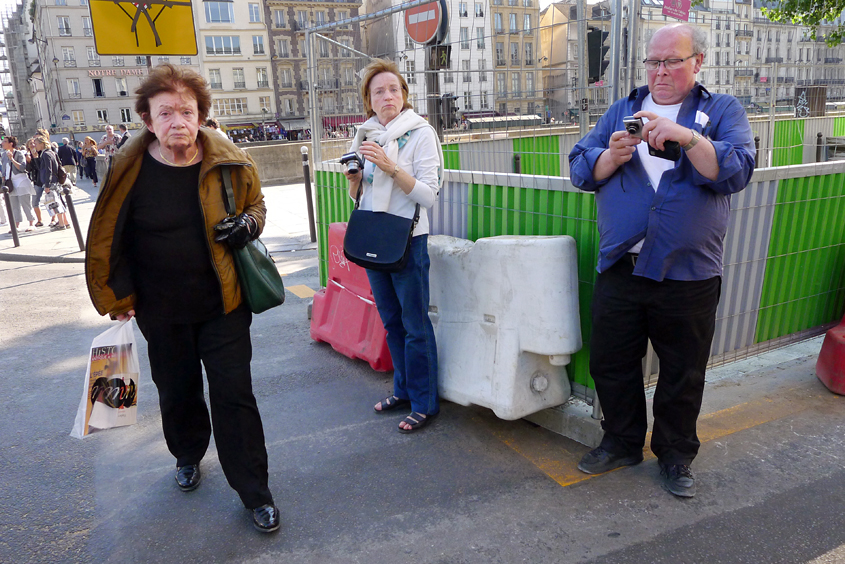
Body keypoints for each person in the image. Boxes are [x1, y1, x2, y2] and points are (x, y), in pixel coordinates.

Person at [84, 63, 280, 533]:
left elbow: (257, 204)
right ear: (148, 121)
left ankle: (255, 491)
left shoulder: (229, 160)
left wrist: (249, 224)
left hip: (223, 304)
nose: (178, 121)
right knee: (177, 391)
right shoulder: (128, 170)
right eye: (165, 112)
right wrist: (119, 294)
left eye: (186, 111)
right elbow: (114, 237)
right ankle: (188, 454)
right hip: (161, 309)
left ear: (200, 115)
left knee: (235, 398)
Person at [568, 24, 756, 498]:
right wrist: (609, 157)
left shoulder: (721, 111)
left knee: (682, 369)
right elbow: (578, 167)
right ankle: (623, 441)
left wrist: (688, 138)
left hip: (688, 272)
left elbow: (735, 173)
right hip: (621, 267)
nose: (660, 70)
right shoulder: (622, 109)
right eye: (653, 61)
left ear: (698, 62)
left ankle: (674, 454)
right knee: (612, 363)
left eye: (672, 60)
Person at [344, 59, 444, 433]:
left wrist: (388, 165)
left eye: (393, 89)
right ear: (368, 101)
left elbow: (428, 195)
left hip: (408, 240)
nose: (387, 96)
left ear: (404, 94)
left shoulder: (420, 133)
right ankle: (403, 390)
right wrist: (355, 178)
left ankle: (425, 402)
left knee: (416, 326)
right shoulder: (365, 134)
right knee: (391, 322)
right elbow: (360, 194)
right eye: (378, 91)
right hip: (375, 238)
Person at [34, 135, 70, 230]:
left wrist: (47, 184)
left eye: (36, 144)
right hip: (55, 180)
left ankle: (61, 224)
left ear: (42, 144)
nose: (35, 146)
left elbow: (48, 170)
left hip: (51, 182)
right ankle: (65, 222)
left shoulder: (46, 154)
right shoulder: (51, 152)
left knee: (55, 203)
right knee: (58, 201)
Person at [2, 136, 36, 232]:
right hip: (10, 183)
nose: (2, 143)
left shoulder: (19, 153)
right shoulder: (4, 155)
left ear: (11, 143)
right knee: (14, 205)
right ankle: (17, 226)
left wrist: (12, 159)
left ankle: (31, 223)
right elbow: (4, 171)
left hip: (21, 181)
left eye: (5, 141)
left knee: (26, 204)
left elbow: (22, 167)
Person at [24, 137, 45, 227]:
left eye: (33, 143)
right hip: (37, 181)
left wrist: (36, 158)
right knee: (35, 202)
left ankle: (54, 219)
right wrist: (28, 162)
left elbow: (41, 167)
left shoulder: (42, 153)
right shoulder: (29, 155)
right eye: (30, 144)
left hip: (45, 180)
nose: (32, 145)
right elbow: (29, 170)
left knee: (51, 200)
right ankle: (39, 220)